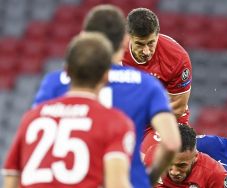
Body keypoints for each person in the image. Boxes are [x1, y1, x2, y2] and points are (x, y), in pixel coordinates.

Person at [32, 5, 181, 188]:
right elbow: (172, 142)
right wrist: (147, 178)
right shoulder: (146, 85)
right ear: (123, 42)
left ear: (83, 39)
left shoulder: (55, 82)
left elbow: (36, 134)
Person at [2, 33, 135, 188]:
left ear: (66, 71)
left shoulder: (33, 117)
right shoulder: (115, 122)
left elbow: (11, 176)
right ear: (106, 76)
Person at [122, 8, 192, 153]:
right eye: (140, 44)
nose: (146, 51)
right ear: (129, 37)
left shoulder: (177, 58)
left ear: (157, 34)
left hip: (166, 117)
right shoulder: (114, 52)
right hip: (131, 115)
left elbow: (177, 108)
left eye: (151, 43)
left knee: (146, 159)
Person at [144, 124, 227, 188]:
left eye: (181, 165)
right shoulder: (153, 157)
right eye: (169, 163)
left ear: (195, 156)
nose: (174, 172)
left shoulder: (215, 174)